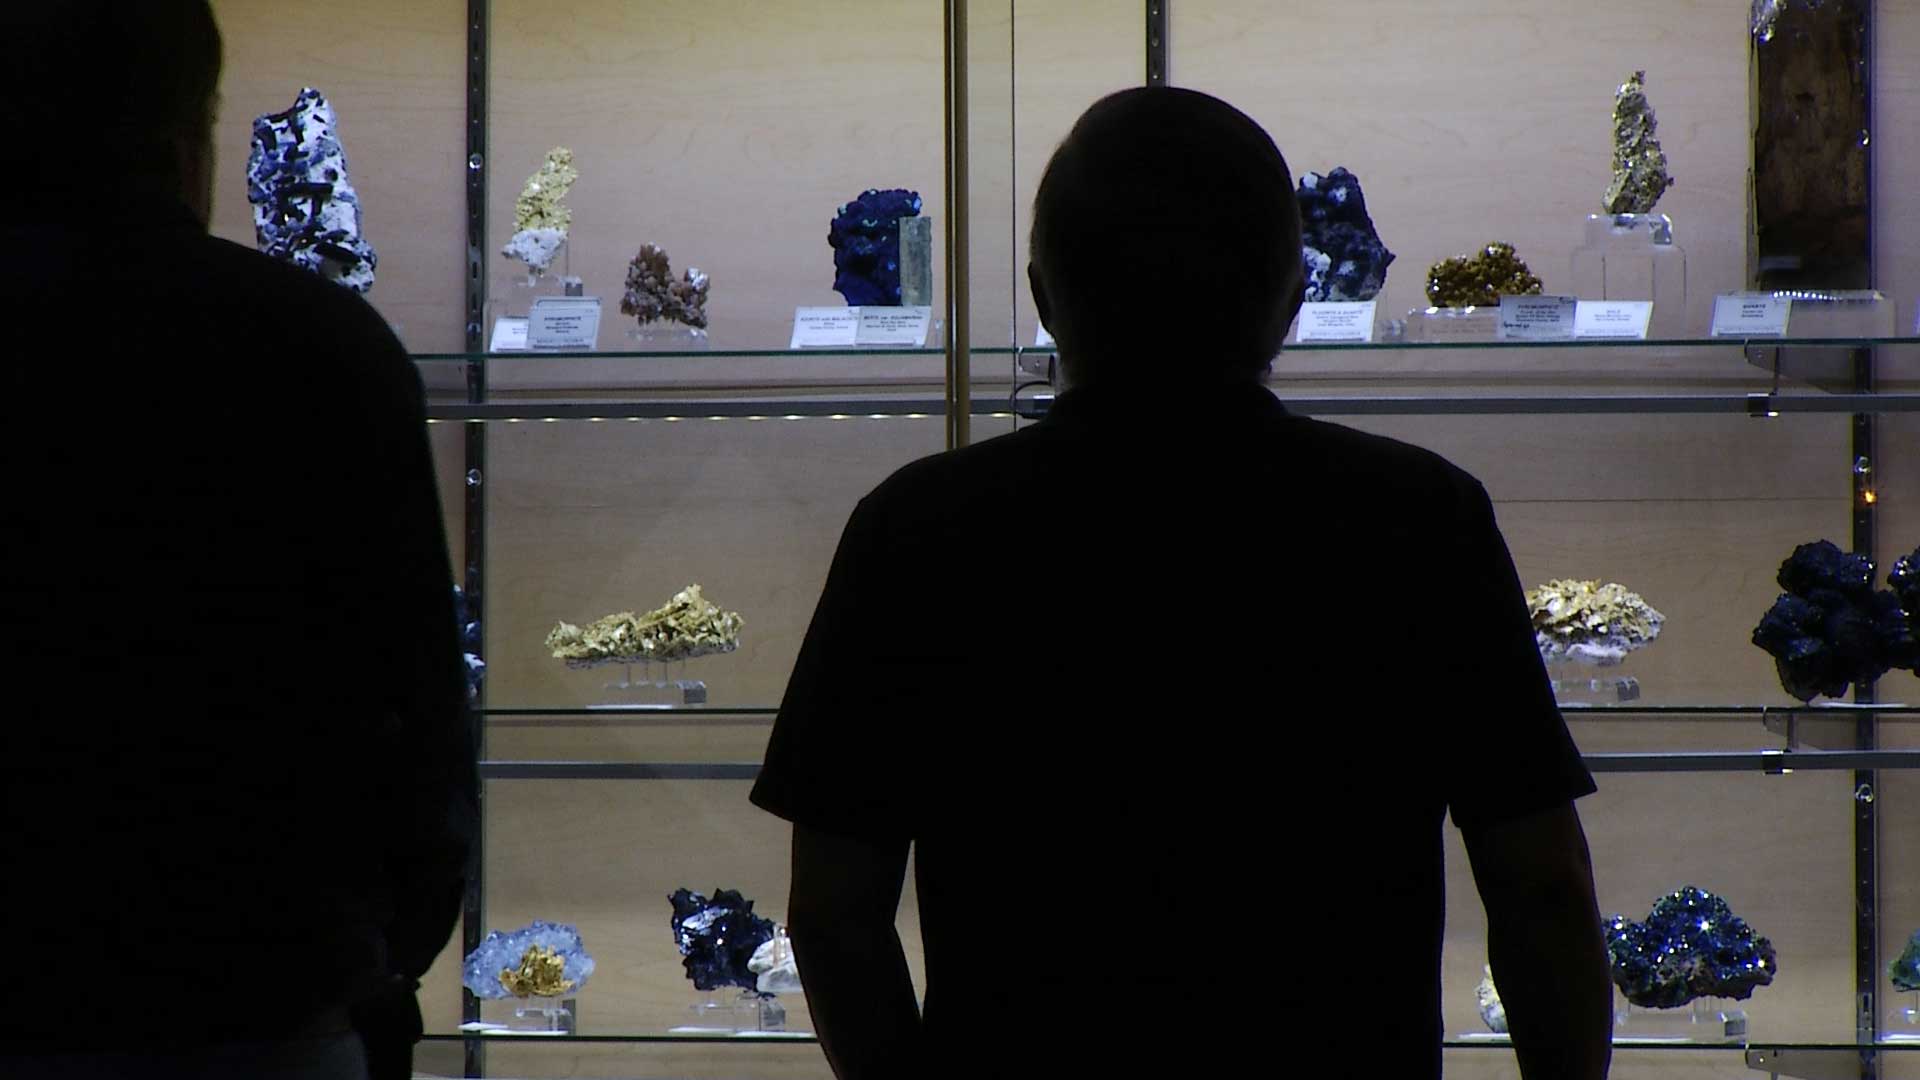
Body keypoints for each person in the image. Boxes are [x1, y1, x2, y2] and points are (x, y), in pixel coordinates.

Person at [752, 87, 1611, 1079]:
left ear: (1042, 297)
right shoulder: (1418, 516)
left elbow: (832, 910)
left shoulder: (918, 527)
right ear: (1292, 297)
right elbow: (1541, 884)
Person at [0, 4, 477, 1079]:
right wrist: (367, 957)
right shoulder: (317, 347)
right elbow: (417, 703)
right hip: (262, 995)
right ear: (188, 136)